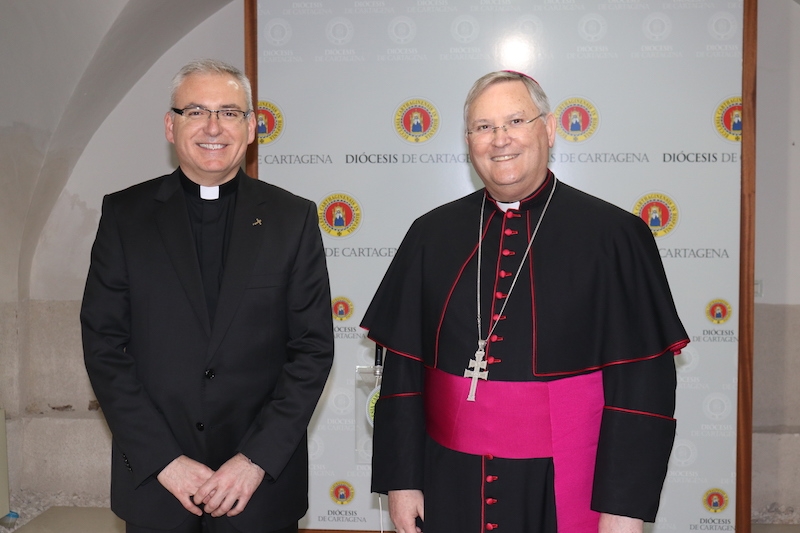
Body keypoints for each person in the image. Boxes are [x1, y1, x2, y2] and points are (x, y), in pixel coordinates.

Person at [361, 71, 689, 533]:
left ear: (549, 129)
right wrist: (401, 482)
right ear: (468, 140)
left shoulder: (615, 236)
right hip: (449, 480)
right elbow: (403, 373)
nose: (500, 140)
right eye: (483, 127)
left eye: (515, 120)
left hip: (564, 481)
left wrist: (624, 508)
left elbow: (642, 387)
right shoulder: (430, 235)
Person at [81, 59, 334, 533]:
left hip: (257, 489)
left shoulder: (292, 219)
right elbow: (104, 346)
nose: (213, 127)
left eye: (230, 113)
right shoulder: (125, 215)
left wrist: (254, 460)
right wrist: (165, 461)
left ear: (252, 127)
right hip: (157, 483)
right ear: (169, 125)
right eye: (195, 111)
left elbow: (312, 350)